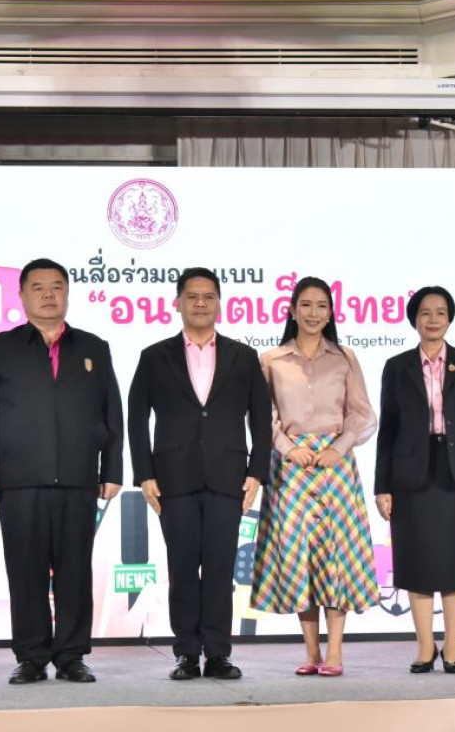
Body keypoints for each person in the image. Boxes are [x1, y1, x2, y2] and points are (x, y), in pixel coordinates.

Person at [0, 258, 122, 685]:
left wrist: (111, 469)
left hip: (77, 478)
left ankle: (72, 656)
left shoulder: (94, 347)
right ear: (22, 296)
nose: (48, 294)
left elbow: (111, 412)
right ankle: (32, 657)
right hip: (20, 480)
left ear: (68, 293)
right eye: (38, 287)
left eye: (57, 286)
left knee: (75, 570)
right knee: (26, 571)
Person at [128, 267, 271, 681]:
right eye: (192, 296)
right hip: (173, 478)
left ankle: (219, 653)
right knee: (183, 568)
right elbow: (136, 417)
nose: (201, 303)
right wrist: (145, 473)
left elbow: (261, 418)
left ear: (220, 303)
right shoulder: (154, 356)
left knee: (221, 569)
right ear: (178, 303)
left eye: (208, 296)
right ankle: (187, 653)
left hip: (229, 477)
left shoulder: (243, 356)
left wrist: (257, 471)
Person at [249, 276, 378, 677]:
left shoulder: (344, 357)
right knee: (299, 557)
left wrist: (339, 448)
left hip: (335, 467)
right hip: (290, 468)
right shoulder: (271, 360)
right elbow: (262, 416)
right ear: (292, 310)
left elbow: (362, 413)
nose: (313, 313)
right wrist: (289, 448)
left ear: (330, 312)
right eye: (305, 305)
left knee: (335, 556)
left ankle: (335, 652)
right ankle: (311, 652)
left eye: (321, 306)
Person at [374, 286, 455, 674]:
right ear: (414, 319)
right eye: (425, 312)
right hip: (411, 475)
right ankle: (425, 648)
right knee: (417, 562)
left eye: (440, 312)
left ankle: (454, 649)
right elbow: (388, 429)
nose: (433, 319)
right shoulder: (397, 366)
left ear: (449, 318)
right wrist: (382, 485)